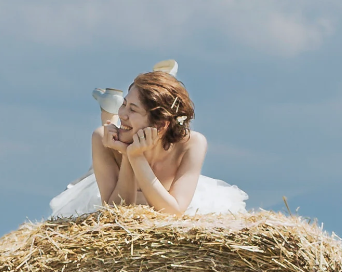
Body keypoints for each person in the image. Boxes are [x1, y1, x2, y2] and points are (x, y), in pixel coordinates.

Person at [49, 61, 249, 217]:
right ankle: (108, 112)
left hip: (166, 165)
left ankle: (151, 90)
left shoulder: (193, 144)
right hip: (108, 178)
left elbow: (173, 212)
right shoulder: (102, 137)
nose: (123, 114)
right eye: (124, 104)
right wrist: (127, 154)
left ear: (160, 125)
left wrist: (137, 157)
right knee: (108, 130)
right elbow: (117, 212)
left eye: (133, 109)